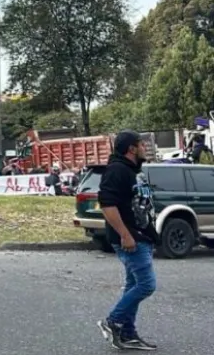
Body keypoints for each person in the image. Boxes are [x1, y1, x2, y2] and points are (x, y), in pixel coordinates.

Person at [96, 130, 157, 351]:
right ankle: (113, 321)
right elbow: (107, 205)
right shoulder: (117, 170)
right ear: (132, 148)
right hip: (130, 239)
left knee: (134, 284)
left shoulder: (132, 170)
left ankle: (128, 333)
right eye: (141, 145)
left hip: (141, 236)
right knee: (147, 284)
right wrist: (125, 234)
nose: (144, 148)